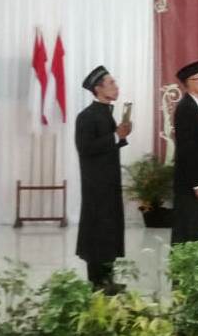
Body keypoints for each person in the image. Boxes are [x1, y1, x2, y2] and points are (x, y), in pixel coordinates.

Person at [75, 65, 132, 294]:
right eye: (111, 83)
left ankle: (108, 280)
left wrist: (121, 136)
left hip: (109, 184)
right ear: (98, 89)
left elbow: (106, 145)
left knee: (109, 232)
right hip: (96, 187)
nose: (116, 87)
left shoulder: (106, 113)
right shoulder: (87, 116)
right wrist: (116, 136)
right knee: (98, 232)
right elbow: (86, 148)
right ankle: (97, 283)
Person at [171, 61, 198, 245]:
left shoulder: (197, 107)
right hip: (189, 183)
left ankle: (189, 263)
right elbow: (187, 150)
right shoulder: (186, 108)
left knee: (193, 231)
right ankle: (182, 264)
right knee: (186, 231)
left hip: (195, 182)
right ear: (189, 82)